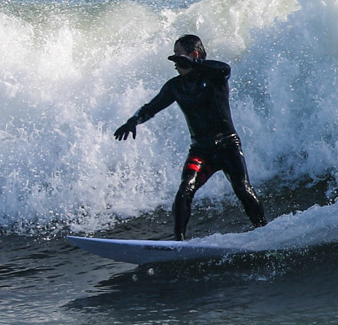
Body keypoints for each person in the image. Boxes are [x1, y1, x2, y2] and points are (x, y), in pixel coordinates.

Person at [113, 34, 266, 241]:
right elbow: (151, 107)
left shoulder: (215, 78)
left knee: (242, 188)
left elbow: (225, 68)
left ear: (193, 55)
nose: (174, 61)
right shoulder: (176, 86)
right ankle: (179, 242)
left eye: (178, 55)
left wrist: (194, 63)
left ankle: (264, 232)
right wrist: (134, 120)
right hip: (201, 151)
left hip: (228, 146)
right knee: (185, 189)